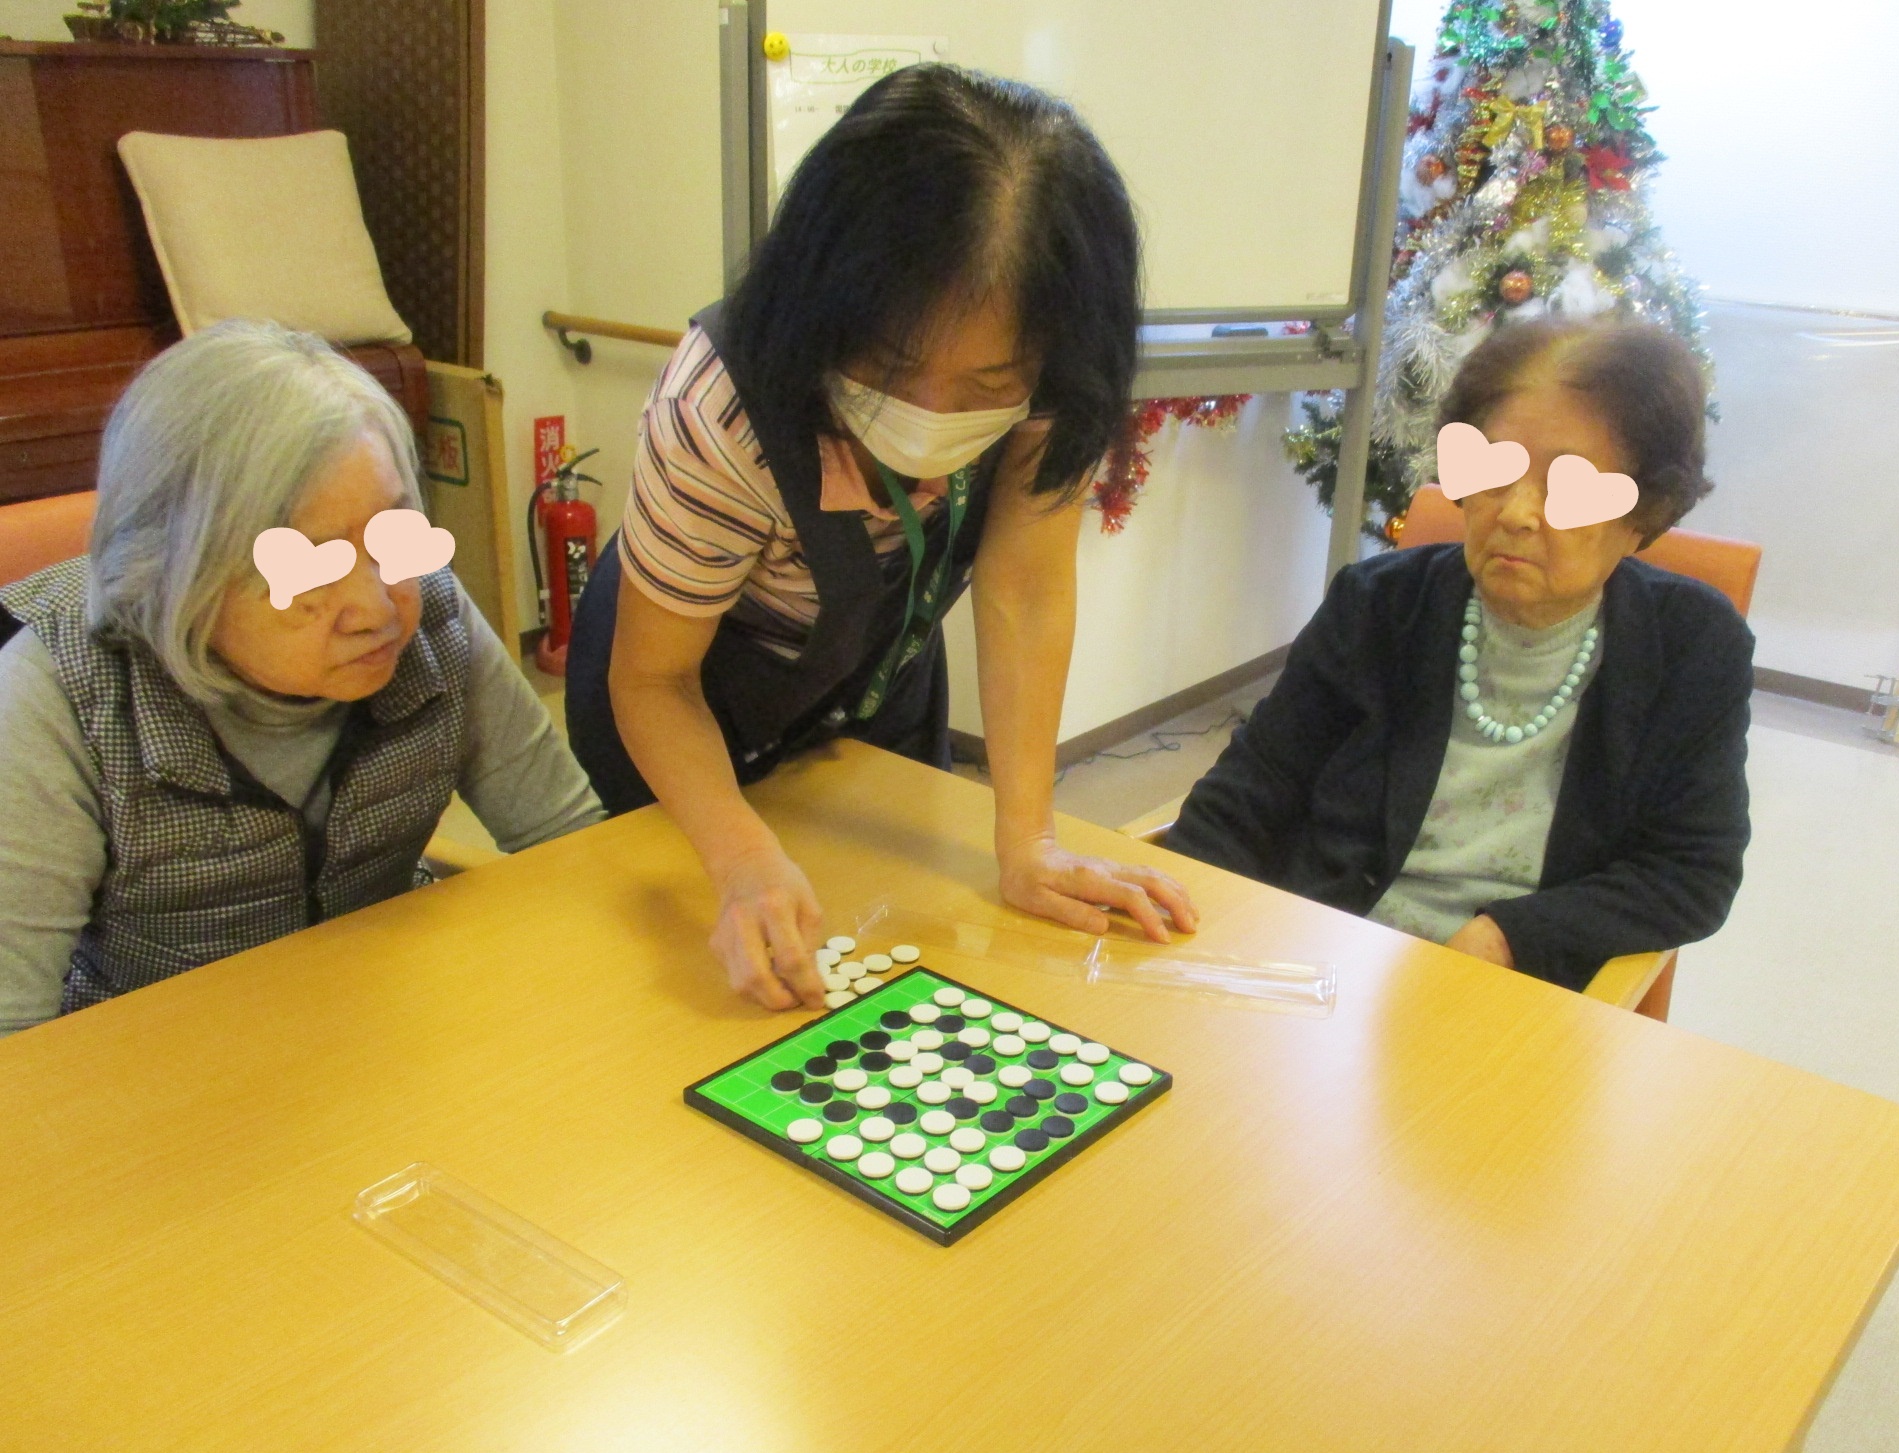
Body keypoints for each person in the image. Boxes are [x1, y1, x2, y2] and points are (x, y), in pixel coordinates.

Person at [566, 64, 1195, 1012]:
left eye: (987, 386)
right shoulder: (719, 408)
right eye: (892, 367)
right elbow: (654, 682)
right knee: (701, 1000)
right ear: (832, 304)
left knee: (892, 941)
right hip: (683, 692)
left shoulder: (1056, 369)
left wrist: (1029, 841)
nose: (931, 415)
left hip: (868, 676)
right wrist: (739, 857)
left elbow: (1025, 589)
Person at [0, 322, 604, 1032]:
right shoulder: (56, 696)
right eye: (310, 567)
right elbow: (13, 1039)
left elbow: (571, 845)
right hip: (155, 1054)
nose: (377, 608)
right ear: (175, 573)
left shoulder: (432, 614)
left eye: (390, 535)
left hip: (381, 1015)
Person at [1164, 318, 1751, 991]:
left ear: (1644, 512)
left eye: (1568, 488)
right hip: (1322, 961)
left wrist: (1508, 937)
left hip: (1517, 993)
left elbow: (1692, 872)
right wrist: (1171, 918)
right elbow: (1250, 793)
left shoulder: (1693, 644)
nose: (1517, 513)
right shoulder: (1378, 605)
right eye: (1495, 471)